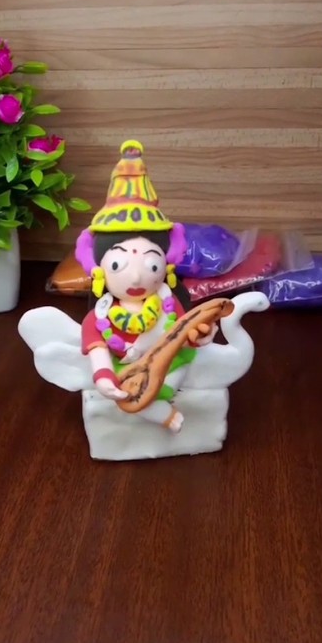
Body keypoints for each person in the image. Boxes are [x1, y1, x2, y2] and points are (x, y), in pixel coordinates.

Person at [74, 141, 216, 433]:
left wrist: (201, 334)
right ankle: (157, 411)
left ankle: (154, 403)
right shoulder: (99, 317)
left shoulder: (168, 303)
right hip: (126, 371)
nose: (137, 279)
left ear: (168, 261)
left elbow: (186, 333)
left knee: (175, 376)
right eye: (118, 265)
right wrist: (103, 376)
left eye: (151, 265)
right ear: (97, 266)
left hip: (170, 366)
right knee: (126, 389)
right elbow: (98, 351)